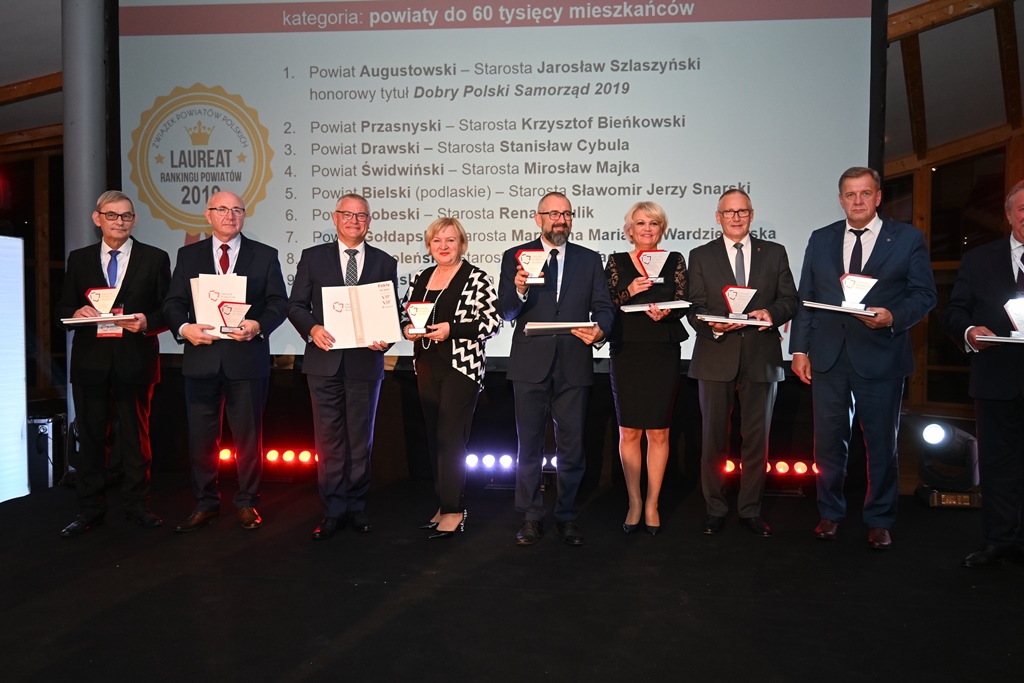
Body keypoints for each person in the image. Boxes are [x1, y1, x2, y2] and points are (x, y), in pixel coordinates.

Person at [790, 167, 936, 550]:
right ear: (840, 199)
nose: (858, 201)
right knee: (827, 444)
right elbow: (806, 298)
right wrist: (800, 349)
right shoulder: (821, 238)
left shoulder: (907, 239)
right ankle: (830, 513)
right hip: (828, 357)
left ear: (878, 197)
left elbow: (924, 295)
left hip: (881, 355)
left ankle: (880, 519)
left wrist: (893, 317)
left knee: (882, 445)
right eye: (851, 194)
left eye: (865, 193)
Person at [163, 190, 287, 532]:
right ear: (208, 215)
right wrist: (185, 328)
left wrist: (258, 325)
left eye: (237, 210)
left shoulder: (265, 255)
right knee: (201, 439)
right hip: (201, 359)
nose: (230, 216)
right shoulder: (188, 255)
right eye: (222, 209)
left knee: (248, 438)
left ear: (244, 215)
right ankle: (206, 503)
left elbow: (279, 302)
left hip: (246, 360)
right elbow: (173, 304)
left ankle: (247, 502)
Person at [498, 191, 615, 546]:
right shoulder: (516, 256)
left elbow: (604, 306)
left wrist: (601, 330)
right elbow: (507, 310)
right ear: (539, 219)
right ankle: (531, 517)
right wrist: (519, 289)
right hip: (530, 364)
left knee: (572, 446)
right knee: (529, 446)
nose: (560, 220)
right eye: (553, 214)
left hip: (574, 362)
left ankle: (566, 516)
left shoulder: (589, 259)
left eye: (566, 214)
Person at [55, 191, 171, 536]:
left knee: (136, 438)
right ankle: (90, 509)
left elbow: (169, 309)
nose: (120, 221)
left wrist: (147, 322)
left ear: (134, 220)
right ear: (97, 218)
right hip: (91, 362)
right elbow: (62, 307)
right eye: (112, 215)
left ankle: (137, 506)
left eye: (126, 215)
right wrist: (76, 311)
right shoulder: (79, 259)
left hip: (135, 358)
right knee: (91, 438)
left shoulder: (155, 257)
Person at [686, 189, 798, 538]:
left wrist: (771, 313)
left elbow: (790, 300)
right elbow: (694, 306)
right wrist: (713, 326)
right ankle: (715, 509)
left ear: (751, 214)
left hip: (761, 357)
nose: (736, 217)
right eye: (729, 212)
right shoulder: (700, 255)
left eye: (742, 211)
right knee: (713, 440)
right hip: (715, 355)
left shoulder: (774, 253)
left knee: (757, 442)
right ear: (717, 217)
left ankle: (750, 510)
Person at [287, 194, 398, 540]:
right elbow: (295, 305)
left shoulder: (384, 262)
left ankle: (356, 506)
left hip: (365, 363)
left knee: (361, 441)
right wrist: (312, 329)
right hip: (324, 363)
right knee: (329, 441)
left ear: (369, 221)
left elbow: (390, 312)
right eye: (347, 215)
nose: (354, 221)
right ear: (335, 218)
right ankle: (334, 509)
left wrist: (385, 340)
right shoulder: (312, 257)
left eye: (361, 216)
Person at [399, 217, 502, 539]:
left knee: (451, 437)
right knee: (434, 437)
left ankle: (455, 510)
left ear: (461, 244)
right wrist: (407, 329)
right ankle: (443, 505)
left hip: (461, 368)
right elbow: (405, 314)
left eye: (450, 240)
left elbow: (492, 323)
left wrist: (451, 330)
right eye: (437, 241)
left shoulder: (476, 278)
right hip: (426, 365)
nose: (443, 246)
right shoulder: (421, 277)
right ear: (429, 246)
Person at [942, 179, 1024, 568]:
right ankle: (998, 540)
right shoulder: (978, 259)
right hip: (995, 378)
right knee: (996, 464)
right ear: (1008, 215)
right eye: (1022, 209)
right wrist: (970, 331)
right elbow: (954, 312)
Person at [605, 201, 688, 535]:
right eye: (640, 223)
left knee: (658, 431)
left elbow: (684, 300)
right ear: (630, 229)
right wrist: (630, 290)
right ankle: (634, 502)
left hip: (662, 348)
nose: (647, 229)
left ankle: (652, 503)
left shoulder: (675, 259)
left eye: (653, 223)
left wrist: (667, 312)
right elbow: (605, 303)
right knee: (629, 431)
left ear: (661, 228)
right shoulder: (616, 261)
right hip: (627, 348)